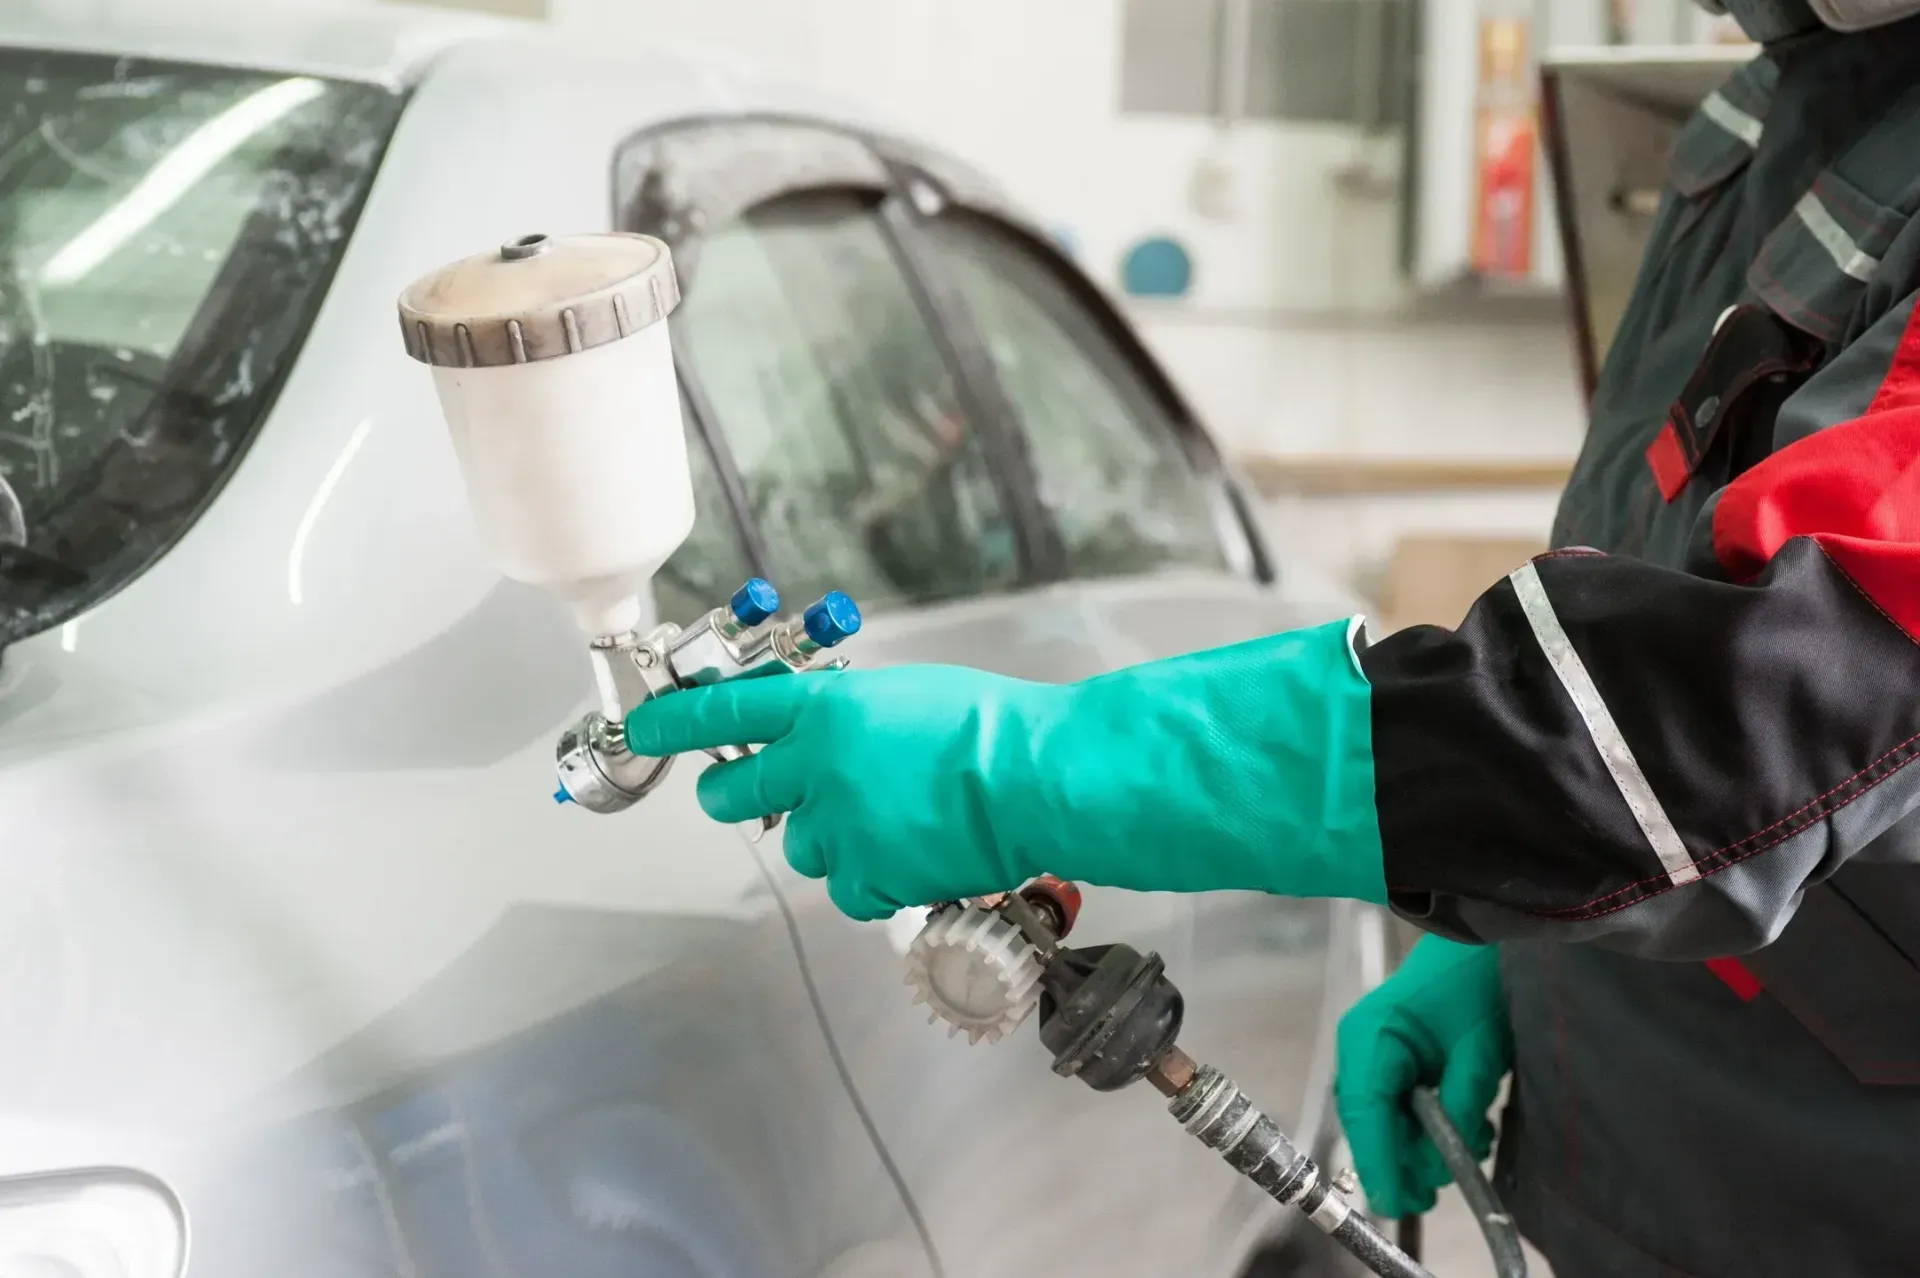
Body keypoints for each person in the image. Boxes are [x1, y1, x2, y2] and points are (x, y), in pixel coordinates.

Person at [625, 3, 1920, 1272]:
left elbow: (1715, 724)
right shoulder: (1804, 88)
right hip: (1647, 1181)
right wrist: (1529, 956)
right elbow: (1670, 590)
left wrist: (1029, 760)